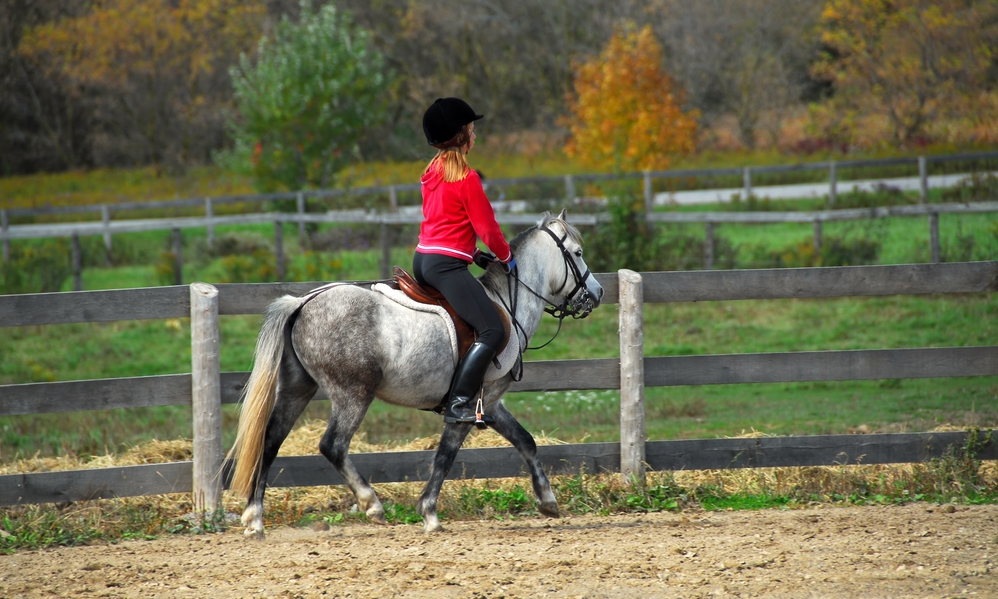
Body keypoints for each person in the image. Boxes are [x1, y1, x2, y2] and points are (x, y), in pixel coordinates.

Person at [413, 97, 515, 424]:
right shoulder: (467, 178)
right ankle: (458, 404)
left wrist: (472, 254)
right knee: (493, 330)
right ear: (461, 137)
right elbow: (487, 227)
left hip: (423, 259)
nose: (475, 136)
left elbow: (441, 222)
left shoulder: (431, 173)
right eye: (472, 129)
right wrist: (505, 256)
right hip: (445, 267)